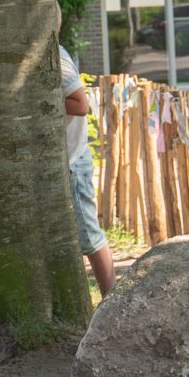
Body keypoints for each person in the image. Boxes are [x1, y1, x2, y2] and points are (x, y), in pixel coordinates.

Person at [58, 46, 115, 298]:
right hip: (63, 161)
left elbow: (81, 104)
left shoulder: (57, 57)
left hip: (73, 162)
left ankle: (111, 300)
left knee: (89, 236)